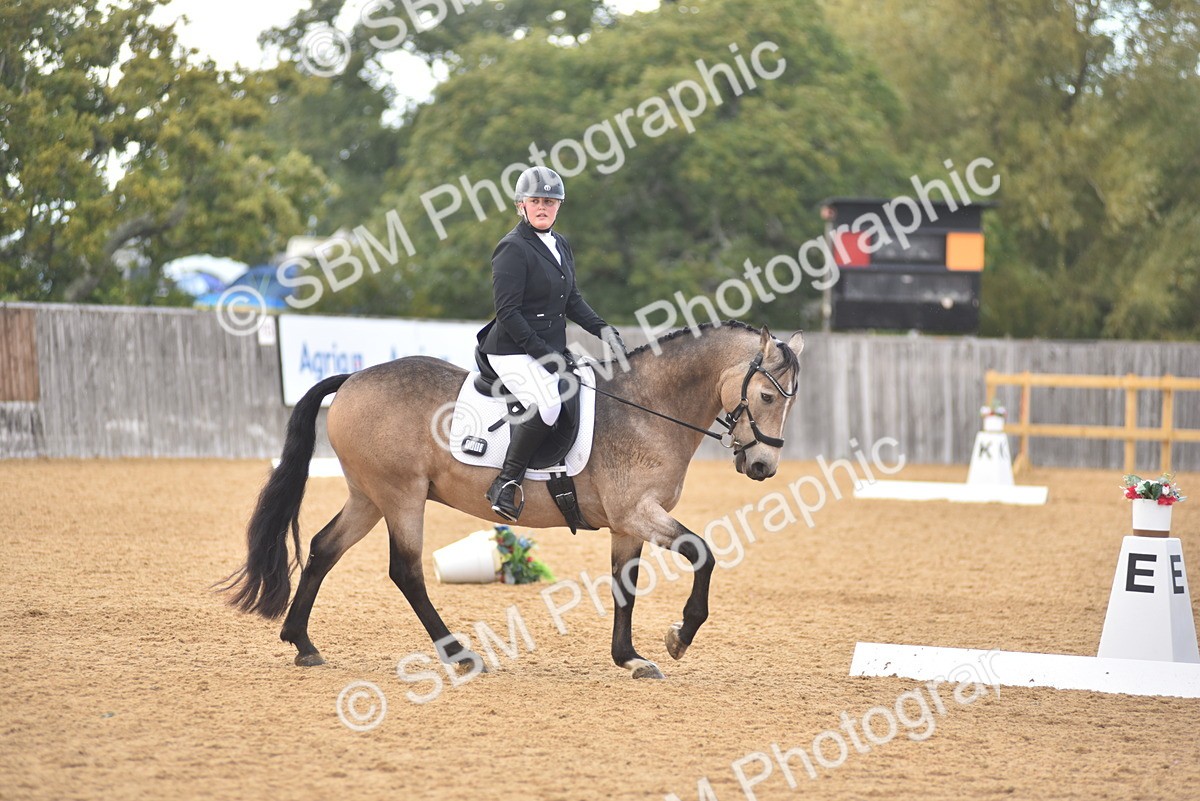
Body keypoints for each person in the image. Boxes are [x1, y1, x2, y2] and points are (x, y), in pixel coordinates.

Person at [476, 166, 626, 521]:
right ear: (521, 206)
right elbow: (509, 314)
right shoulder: (512, 248)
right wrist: (547, 356)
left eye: (550, 201)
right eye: (536, 201)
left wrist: (603, 329)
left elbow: (571, 299)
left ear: (559, 206)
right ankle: (506, 482)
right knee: (547, 404)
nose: (543, 207)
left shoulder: (560, 244)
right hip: (510, 349)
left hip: (546, 348)